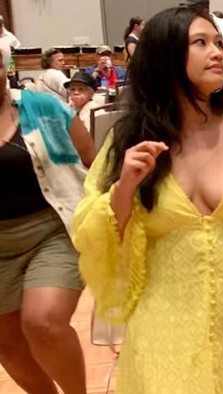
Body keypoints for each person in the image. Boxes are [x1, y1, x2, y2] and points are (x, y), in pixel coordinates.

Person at [72, 7, 223, 392]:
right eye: (200, 43)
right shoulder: (131, 138)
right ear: (165, 56)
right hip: (162, 326)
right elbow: (93, 233)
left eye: (218, 42)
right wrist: (124, 189)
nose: (217, 52)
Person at [0, 50, 94, 394]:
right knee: (7, 342)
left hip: (52, 230)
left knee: (43, 322)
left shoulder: (41, 108)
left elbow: (91, 161)